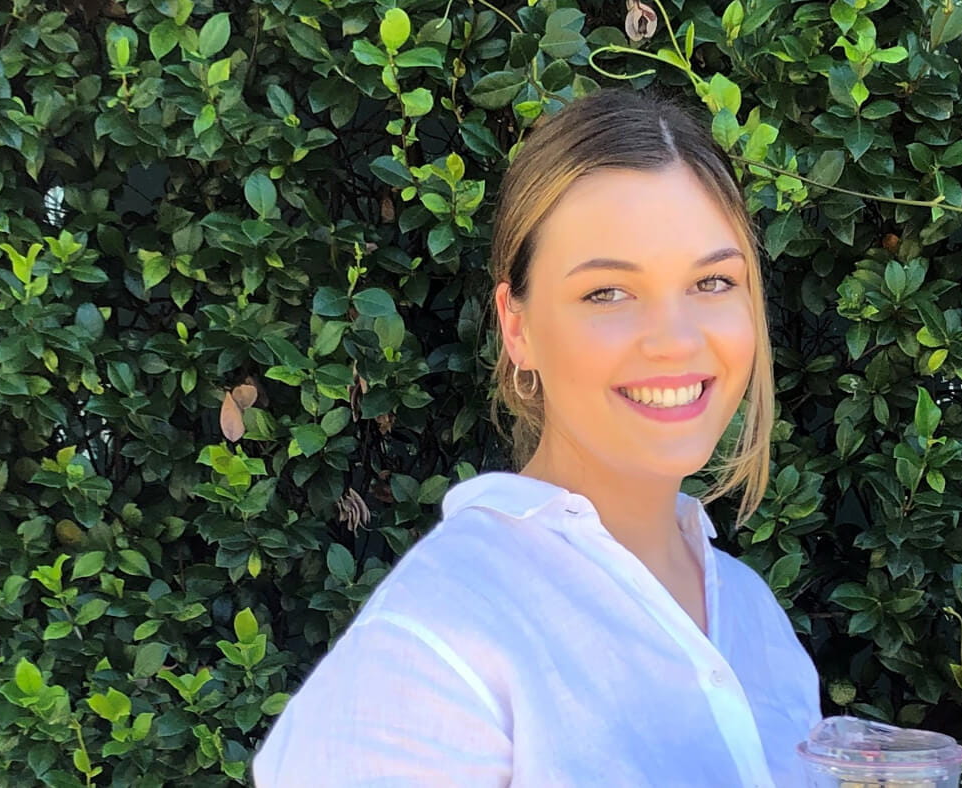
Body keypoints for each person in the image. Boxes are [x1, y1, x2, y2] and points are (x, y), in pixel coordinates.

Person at [250, 86, 822, 786]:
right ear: (518, 327)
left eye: (712, 281)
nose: (676, 341)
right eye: (607, 292)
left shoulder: (753, 617)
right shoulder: (441, 639)